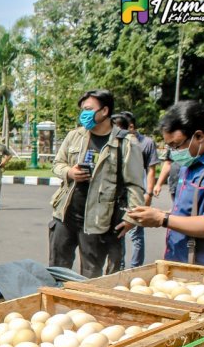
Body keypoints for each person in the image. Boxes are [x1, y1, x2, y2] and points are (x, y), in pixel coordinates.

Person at [48, 90, 145, 278]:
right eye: (82, 110)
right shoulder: (74, 136)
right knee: (57, 270)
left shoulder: (125, 142)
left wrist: (131, 218)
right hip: (65, 214)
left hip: (98, 220)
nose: (84, 114)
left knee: (91, 274)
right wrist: (69, 172)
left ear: (105, 111)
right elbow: (57, 164)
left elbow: (135, 184)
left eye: (88, 109)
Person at [129, 100, 204, 266]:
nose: (174, 153)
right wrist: (156, 213)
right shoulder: (190, 161)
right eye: (170, 147)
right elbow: (187, 211)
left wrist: (163, 219)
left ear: (199, 136)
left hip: (203, 268)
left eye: (176, 145)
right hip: (178, 259)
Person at [120, 111, 160, 268]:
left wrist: (149, 192)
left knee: (136, 233)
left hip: (137, 193)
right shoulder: (118, 141)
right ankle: (120, 267)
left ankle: (135, 267)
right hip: (120, 195)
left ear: (131, 126)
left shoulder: (146, 143)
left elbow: (151, 169)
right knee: (120, 232)